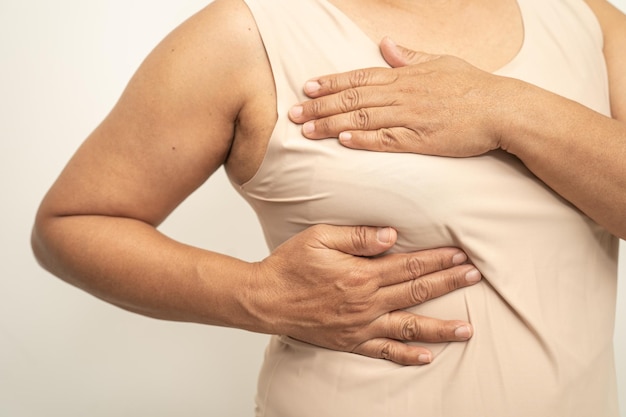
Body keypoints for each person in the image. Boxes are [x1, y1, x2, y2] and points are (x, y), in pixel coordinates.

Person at [31, 0, 626, 416]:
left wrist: (504, 107)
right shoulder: (245, 34)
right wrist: (253, 294)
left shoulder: (587, 22)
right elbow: (71, 224)